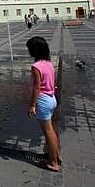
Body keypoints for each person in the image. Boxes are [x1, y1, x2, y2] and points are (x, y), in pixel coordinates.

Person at [26, 36, 61, 172]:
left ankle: (53, 163)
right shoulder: (49, 63)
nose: (28, 51)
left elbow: (37, 88)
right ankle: (56, 155)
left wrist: (32, 105)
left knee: (48, 132)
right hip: (51, 98)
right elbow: (53, 82)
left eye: (29, 49)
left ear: (35, 50)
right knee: (51, 130)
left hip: (42, 100)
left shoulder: (36, 66)